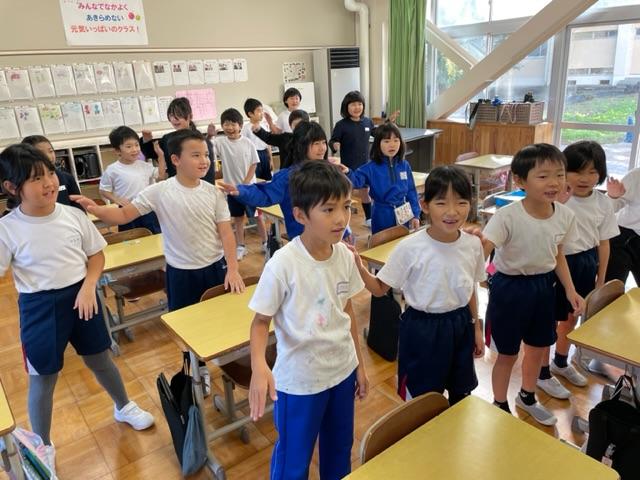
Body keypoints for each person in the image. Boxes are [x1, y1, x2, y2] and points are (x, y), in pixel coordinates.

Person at [0, 144, 154, 475]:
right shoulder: (7, 228)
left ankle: (123, 405)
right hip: (39, 306)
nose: (49, 183)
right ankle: (42, 445)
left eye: (50, 173)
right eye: (36, 178)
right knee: (43, 377)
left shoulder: (72, 214)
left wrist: (88, 286)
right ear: (12, 187)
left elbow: (95, 255)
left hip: (83, 295)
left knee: (100, 358)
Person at [72, 129, 245, 395]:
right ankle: (195, 370)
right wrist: (95, 209)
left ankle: (226, 363)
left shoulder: (213, 193)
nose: (204, 161)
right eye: (196, 155)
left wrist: (232, 269)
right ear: (175, 160)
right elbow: (124, 215)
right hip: (180, 274)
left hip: (214, 269)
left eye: (206, 155)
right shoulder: (159, 191)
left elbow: (226, 234)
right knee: (188, 329)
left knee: (220, 320)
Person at [248, 160, 368, 479]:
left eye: (346, 206)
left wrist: (358, 364)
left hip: (341, 372)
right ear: (300, 215)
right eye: (328, 209)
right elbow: (260, 322)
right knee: (293, 460)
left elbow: (346, 311)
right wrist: (259, 366)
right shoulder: (283, 264)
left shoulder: (345, 255)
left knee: (339, 451)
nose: (341, 218)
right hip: (300, 382)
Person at [352, 165, 484, 403]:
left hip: (460, 323)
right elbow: (379, 289)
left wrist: (476, 328)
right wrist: (359, 267)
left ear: (471, 204)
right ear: (424, 205)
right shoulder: (410, 247)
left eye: (461, 202)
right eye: (441, 203)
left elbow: (470, 288)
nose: (452, 211)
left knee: (461, 393)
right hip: (422, 329)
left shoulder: (472, 244)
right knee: (422, 398)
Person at [483, 143, 584, 426]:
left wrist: (570, 289)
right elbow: (484, 249)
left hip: (543, 287)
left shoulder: (565, 215)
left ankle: (527, 396)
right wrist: (472, 247)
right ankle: (499, 403)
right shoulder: (507, 216)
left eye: (559, 175)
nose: (554, 183)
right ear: (520, 180)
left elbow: (558, 253)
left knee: (538, 347)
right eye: (543, 176)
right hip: (509, 288)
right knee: (507, 353)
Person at [536, 141, 619, 398]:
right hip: (555, 263)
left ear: (601, 174)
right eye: (577, 171)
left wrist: (601, 279)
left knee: (571, 317)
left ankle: (560, 362)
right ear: (564, 172)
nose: (585, 178)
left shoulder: (602, 203)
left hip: (585, 262)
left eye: (592, 172)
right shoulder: (557, 200)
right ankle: (541, 373)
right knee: (547, 321)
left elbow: (604, 243)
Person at [218, 121, 329, 240]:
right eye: (316, 143)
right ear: (302, 146)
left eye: (324, 142)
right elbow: (265, 194)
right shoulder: (289, 177)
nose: (322, 148)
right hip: (304, 240)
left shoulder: (331, 172)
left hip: (331, 237)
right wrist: (241, 190)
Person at [329, 91, 398, 226]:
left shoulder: (367, 122)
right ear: (346, 107)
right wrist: (335, 145)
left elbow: (378, 133)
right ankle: (344, 222)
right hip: (347, 166)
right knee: (346, 194)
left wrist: (388, 122)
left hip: (365, 165)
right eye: (353, 104)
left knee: (365, 192)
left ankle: (368, 219)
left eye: (359, 104)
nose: (357, 107)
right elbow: (333, 140)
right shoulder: (341, 125)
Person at [342, 123, 421, 234]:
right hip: (382, 213)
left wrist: (416, 215)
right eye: (386, 141)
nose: (392, 145)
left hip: (403, 211)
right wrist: (347, 172)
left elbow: (411, 192)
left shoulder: (404, 165)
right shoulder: (370, 168)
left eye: (396, 140)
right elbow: (356, 182)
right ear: (378, 144)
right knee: (382, 242)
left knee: (402, 240)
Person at [213, 108, 267, 259]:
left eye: (233, 124)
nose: (229, 127)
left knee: (257, 216)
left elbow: (254, 163)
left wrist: (245, 183)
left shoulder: (248, 143)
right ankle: (241, 246)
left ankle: (265, 242)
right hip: (232, 190)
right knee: (238, 218)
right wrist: (211, 135)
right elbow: (208, 148)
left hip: (249, 189)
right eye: (226, 124)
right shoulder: (220, 142)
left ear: (240, 125)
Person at [99, 126, 166, 233]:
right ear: (117, 150)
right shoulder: (112, 170)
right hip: (126, 210)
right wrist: (117, 200)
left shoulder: (144, 165)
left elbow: (161, 175)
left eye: (136, 145)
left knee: (154, 235)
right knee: (130, 237)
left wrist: (161, 156)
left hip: (147, 209)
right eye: (129, 146)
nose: (135, 149)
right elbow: (103, 190)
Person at [140, 97, 216, 183]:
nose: (174, 119)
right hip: (175, 185)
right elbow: (152, 154)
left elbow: (208, 172)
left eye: (179, 115)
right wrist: (146, 140)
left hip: (196, 185)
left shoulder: (201, 141)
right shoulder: (167, 139)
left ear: (190, 116)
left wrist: (205, 188)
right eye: (171, 115)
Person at [21, 135, 83, 211]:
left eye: (50, 151)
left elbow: (79, 208)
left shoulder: (67, 178)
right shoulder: (25, 184)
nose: (49, 156)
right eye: (41, 153)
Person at [242, 97, 274, 181]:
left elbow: (268, 144)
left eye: (262, 110)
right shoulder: (246, 128)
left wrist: (270, 160)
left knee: (267, 179)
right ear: (250, 114)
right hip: (254, 156)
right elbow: (244, 147)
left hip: (265, 154)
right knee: (256, 179)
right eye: (259, 111)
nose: (262, 113)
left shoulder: (264, 126)